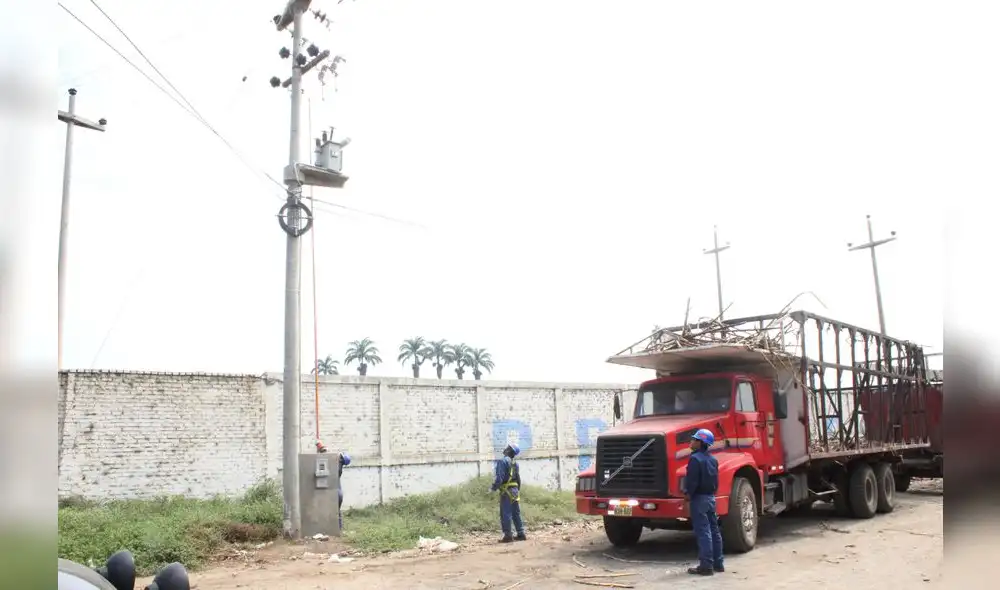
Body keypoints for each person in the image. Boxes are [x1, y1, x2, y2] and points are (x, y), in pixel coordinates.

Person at [683, 428, 724, 576]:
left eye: (694, 439)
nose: (691, 441)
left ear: (700, 443)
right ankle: (718, 563)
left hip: (699, 499)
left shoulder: (695, 459)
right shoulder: (713, 460)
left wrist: (687, 494)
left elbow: (692, 481)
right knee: (714, 530)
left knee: (703, 532)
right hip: (711, 498)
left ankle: (706, 566)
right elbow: (716, 481)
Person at [490, 442, 526, 543]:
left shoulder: (502, 461)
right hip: (515, 490)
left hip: (506, 491)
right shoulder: (515, 463)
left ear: (510, 451)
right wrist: (517, 490)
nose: (505, 449)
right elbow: (518, 479)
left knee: (505, 513)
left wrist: (493, 488)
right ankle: (521, 533)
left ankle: (508, 536)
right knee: (516, 513)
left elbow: (499, 478)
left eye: (507, 448)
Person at [316, 441, 351, 531]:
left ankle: (327, 529)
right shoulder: (337, 465)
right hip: (338, 492)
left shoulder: (326, 466)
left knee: (325, 512)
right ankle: (338, 530)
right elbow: (346, 459)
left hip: (330, 492)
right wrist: (339, 455)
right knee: (337, 512)